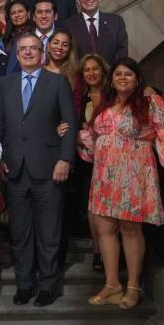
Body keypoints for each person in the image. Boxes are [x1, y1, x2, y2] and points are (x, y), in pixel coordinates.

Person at [80, 58, 164, 309]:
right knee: (104, 229)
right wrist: (78, 136)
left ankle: (132, 286)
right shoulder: (105, 103)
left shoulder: (150, 101)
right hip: (103, 175)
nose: (122, 77)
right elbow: (94, 135)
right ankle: (111, 284)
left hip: (133, 172)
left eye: (128, 74)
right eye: (118, 73)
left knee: (130, 230)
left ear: (137, 79)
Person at [0, 33, 77, 307]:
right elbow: (1, 127)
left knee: (49, 233)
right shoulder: (5, 84)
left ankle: (47, 286)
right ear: (17, 55)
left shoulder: (57, 82)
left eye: (33, 48)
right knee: (20, 234)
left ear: (42, 53)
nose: (28, 53)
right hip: (16, 170)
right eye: (23, 49)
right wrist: (2, 158)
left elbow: (70, 123)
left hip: (50, 169)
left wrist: (65, 159)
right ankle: (25, 284)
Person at [73, 53, 109, 272]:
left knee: (111, 208)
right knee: (93, 208)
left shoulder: (114, 96)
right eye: (87, 70)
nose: (91, 73)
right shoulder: (81, 99)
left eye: (95, 69)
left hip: (113, 160)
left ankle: (115, 250)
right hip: (88, 161)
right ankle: (98, 252)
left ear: (103, 71)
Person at [63, 0, 128, 64]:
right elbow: (68, 57)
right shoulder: (68, 25)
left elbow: (122, 52)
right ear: (78, 1)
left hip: (111, 75)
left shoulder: (116, 21)